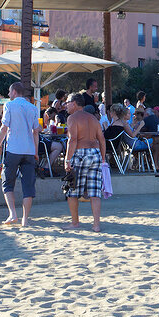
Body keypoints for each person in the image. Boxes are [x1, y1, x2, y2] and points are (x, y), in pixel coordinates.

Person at [0, 82, 41, 227]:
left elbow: (4, 127)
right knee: (28, 185)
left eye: (9, 91)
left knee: (7, 182)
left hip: (13, 149)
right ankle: (25, 219)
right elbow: (36, 131)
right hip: (29, 150)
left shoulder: (9, 105)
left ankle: (13, 213)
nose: (8, 94)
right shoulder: (33, 108)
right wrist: (36, 151)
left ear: (14, 92)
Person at [63, 91, 107, 231]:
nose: (66, 105)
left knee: (72, 190)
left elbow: (73, 139)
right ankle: (96, 225)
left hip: (80, 153)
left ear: (74, 103)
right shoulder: (93, 118)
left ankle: (75, 223)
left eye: (68, 103)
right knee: (95, 192)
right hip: (95, 153)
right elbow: (102, 139)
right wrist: (103, 158)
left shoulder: (72, 118)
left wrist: (67, 159)